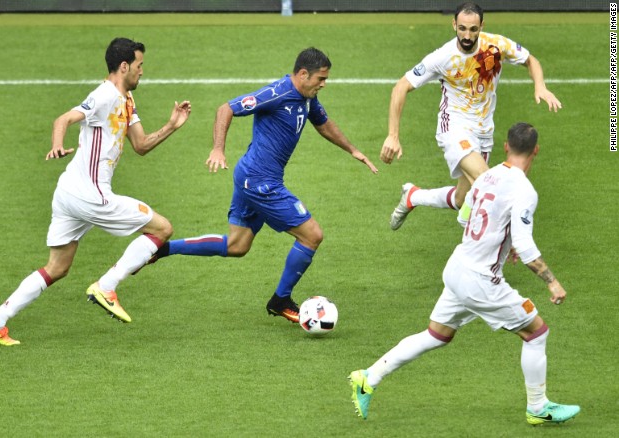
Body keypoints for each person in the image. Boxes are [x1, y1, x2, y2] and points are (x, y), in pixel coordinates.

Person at [349, 123, 580, 425]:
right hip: (480, 280)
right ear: (536, 150)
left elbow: (464, 216)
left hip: (457, 266)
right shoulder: (524, 190)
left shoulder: (487, 176)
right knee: (536, 332)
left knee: (436, 335)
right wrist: (553, 282)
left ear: (506, 147)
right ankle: (538, 408)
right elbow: (525, 247)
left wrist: (501, 239)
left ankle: (368, 378)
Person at [0, 37, 191, 345]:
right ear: (124, 66)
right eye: (140, 66)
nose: (143, 72)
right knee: (163, 228)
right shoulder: (104, 95)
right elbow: (64, 118)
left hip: (69, 193)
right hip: (90, 194)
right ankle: (107, 286)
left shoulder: (127, 100)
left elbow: (141, 145)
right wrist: (57, 144)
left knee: (57, 267)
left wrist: (172, 126)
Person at [149, 47, 378, 323]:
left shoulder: (307, 97)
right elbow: (226, 109)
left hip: (251, 176)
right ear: (303, 74)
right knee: (312, 235)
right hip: (260, 182)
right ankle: (281, 300)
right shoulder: (278, 93)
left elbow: (323, 123)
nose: (324, 84)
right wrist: (218, 149)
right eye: (321, 79)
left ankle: (162, 249)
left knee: (237, 245)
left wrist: (352, 150)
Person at [381, 2, 562, 231]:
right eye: (462, 28)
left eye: (473, 29)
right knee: (486, 182)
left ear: (482, 26)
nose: (467, 35)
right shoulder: (443, 56)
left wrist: (540, 86)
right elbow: (401, 86)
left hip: (483, 132)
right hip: (454, 128)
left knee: (461, 199)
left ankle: (413, 196)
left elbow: (530, 60)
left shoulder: (495, 45)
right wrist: (393, 135)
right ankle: (482, 237)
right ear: (454, 24)